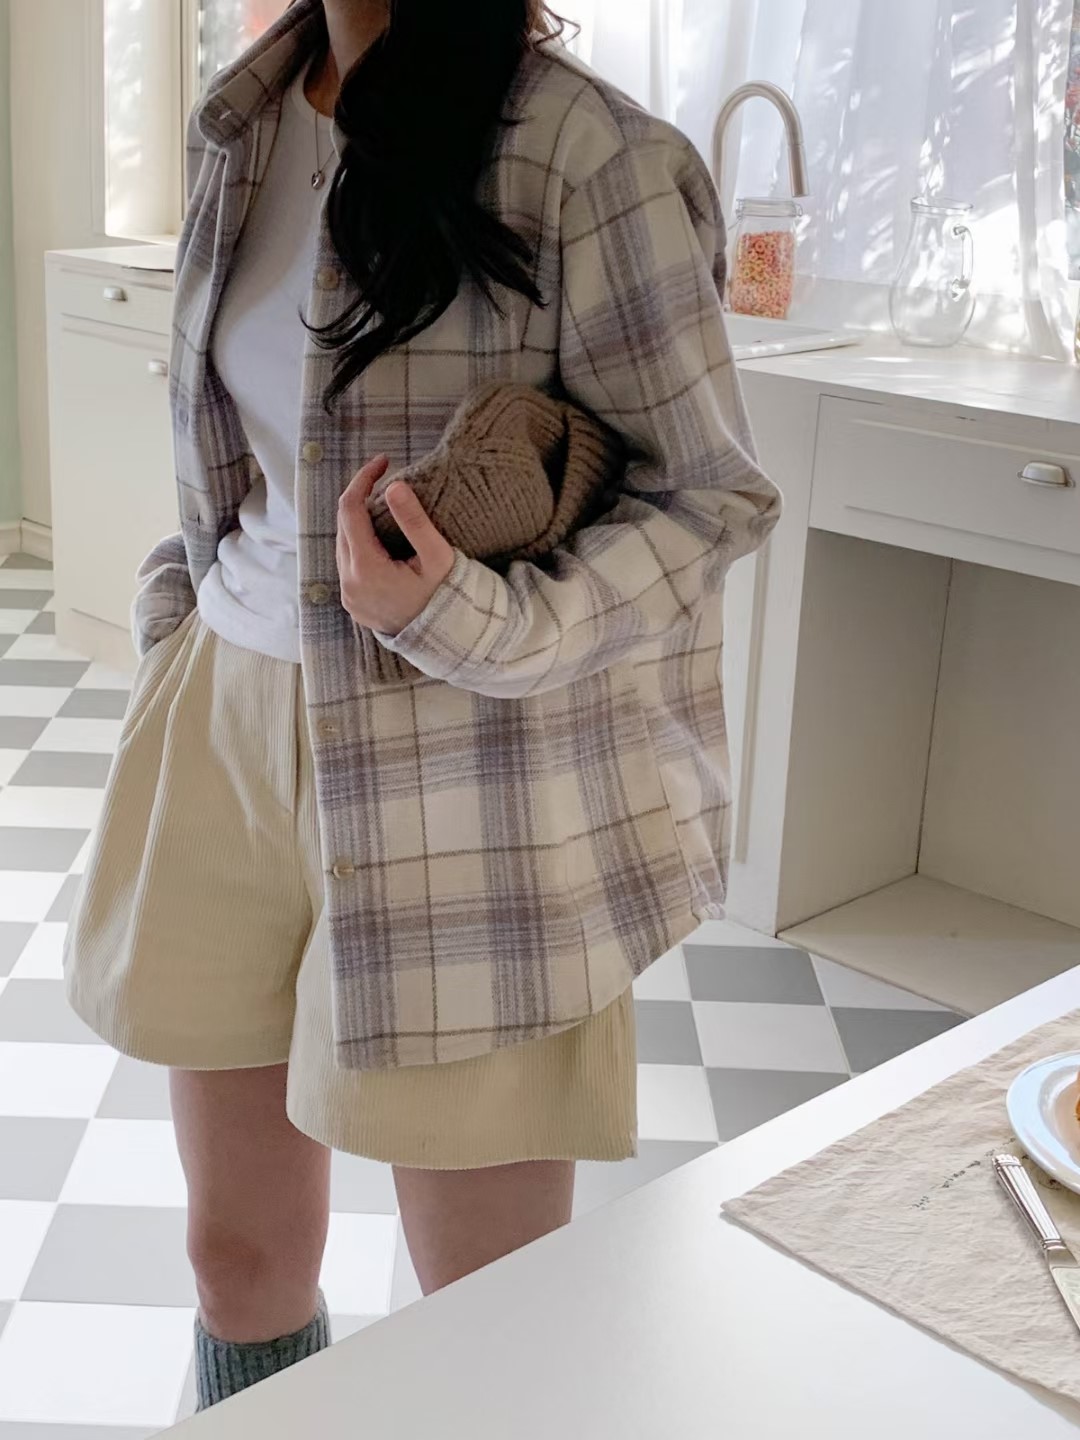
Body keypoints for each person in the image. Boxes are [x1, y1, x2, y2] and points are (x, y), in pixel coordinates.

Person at [64, 0, 781, 1412]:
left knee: (486, 1310)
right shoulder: (243, 123)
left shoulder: (586, 154)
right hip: (225, 730)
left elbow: (709, 500)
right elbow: (241, 450)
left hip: (470, 774)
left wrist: (469, 616)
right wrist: (179, 628)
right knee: (236, 1261)